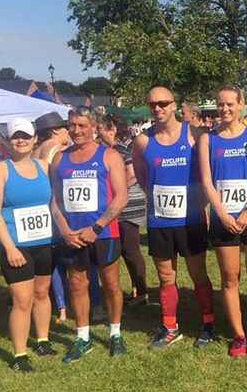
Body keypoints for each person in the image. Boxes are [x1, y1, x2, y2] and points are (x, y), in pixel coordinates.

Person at [132, 86, 217, 349]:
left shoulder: (194, 135)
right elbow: (142, 176)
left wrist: (198, 204)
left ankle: (208, 324)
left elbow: (208, 176)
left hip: (190, 220)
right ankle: (170, 327)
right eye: (152, 104)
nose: (158, 108)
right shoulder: (143, 141)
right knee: (166, 276)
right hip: (160, 220)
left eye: (163, 103)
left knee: (198, 274)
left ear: (173, 105)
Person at [50, 106, 128, 362]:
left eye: (82, 125)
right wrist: (64, 230)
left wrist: (96, 228)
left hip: (103, 234)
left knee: (111, 285)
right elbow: (53, 200)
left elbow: (120, 198)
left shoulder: (109, 155)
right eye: (72, 125)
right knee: (77, 284)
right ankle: (82, 336)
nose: (77, 131)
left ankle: (115, 332)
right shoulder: (60, 158)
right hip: (72, 234)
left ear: (94, 126)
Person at [198, 84, 247, 357]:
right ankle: (239, 333)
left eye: (230, 104)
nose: (224, 109)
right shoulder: (208, 139)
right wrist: (223, 213)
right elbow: (206, 180)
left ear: (241, 105)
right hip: (222, 216)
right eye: (220, 104)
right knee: (230, 277)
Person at [0, 118, 56, 371]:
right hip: (15, 244)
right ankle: (20, 355)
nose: (20, 140)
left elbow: (53, 203)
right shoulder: (2, 170)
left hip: (43, 241)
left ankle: (43, 340)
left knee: (42, 293)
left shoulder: (44, 166)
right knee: (22, 299)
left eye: (25, 136)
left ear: (35, 139)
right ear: (8, 141)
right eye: (15, 136)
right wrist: (9, 247)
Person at [96, 113, 148, 307]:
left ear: (112, 129)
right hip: (119, 205)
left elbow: (132, 173)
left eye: (100, 127)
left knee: (131, 249)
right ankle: (136, 289)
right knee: (126, 249)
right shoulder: (109, 149)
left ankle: (142, 293)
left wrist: (116, 193)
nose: (97, 131)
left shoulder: (123, 147)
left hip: (129, 205)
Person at [33, 111, 71, 321]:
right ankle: (63, 307)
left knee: (50, 258)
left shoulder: (37, 150)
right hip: (55, 207)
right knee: (59, 260)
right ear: (55, 130)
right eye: (65, 127)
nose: (69, 131)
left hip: (42, 208)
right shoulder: (59, 150)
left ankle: (59, 305)